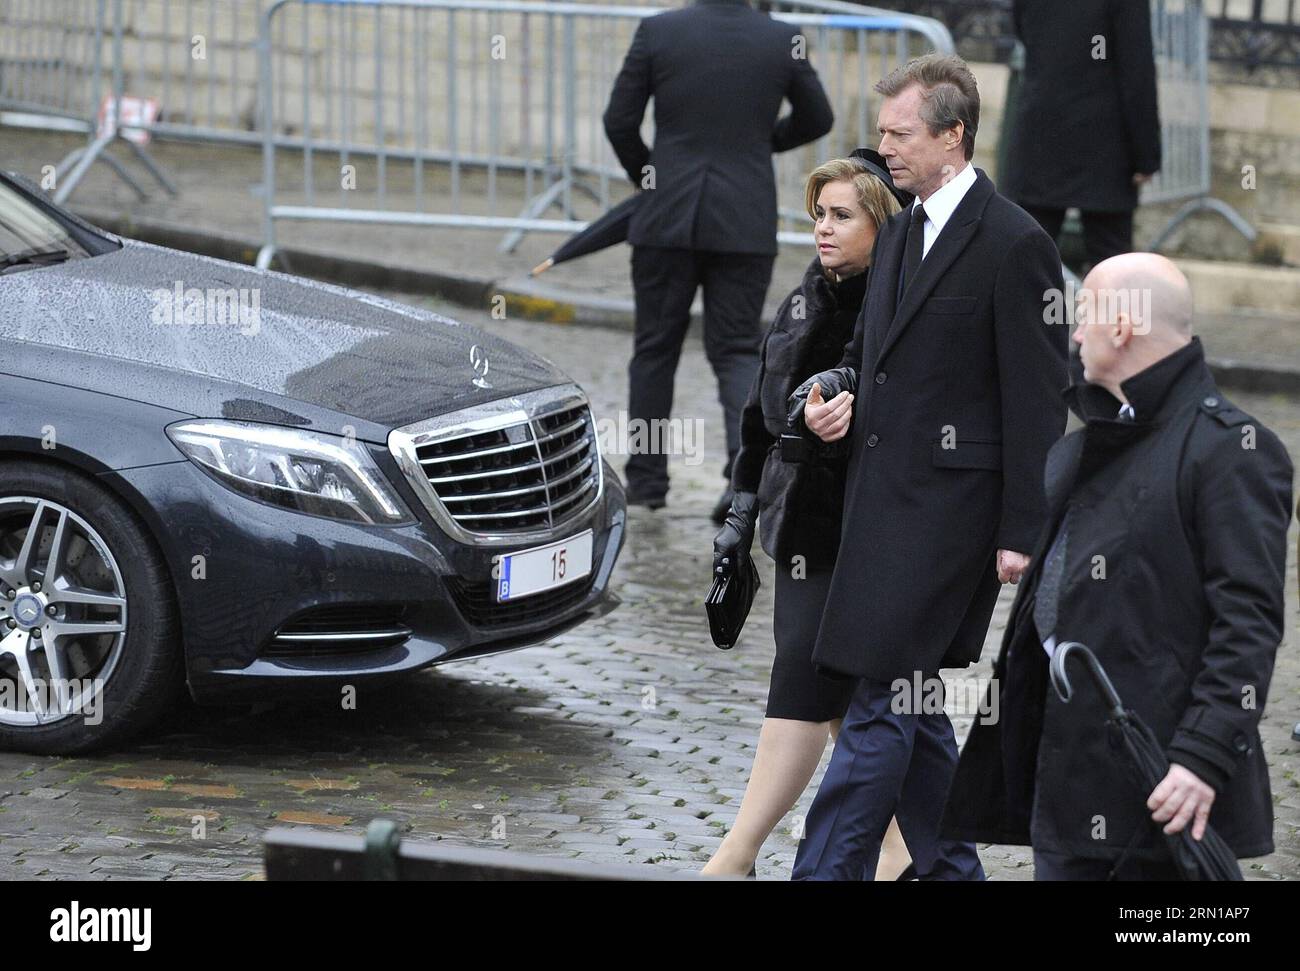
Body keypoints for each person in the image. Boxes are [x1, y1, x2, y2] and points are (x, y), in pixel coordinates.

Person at [789, 53, 1068, 880]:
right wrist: (833, 393)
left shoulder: (1017, 242)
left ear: (953, 135)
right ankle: (952, 870)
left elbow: (1037, 398)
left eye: (899, 133)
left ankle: (822, 872)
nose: (885, 147)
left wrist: (1024, 528)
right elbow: (869, 355)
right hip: (878, 506)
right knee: (913, 708)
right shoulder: (903, 226)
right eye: (880, 132)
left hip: (951, 518)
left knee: (877, 699)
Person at [942, 254, 1294, 880]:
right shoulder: (1093, 442)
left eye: (1084, 319)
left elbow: (1249, 621)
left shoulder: (1231, 450)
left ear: (1124, 326)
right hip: (1070, 777)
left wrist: (1201, 757)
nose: (1075, 335)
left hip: (1159, 783)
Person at [704, 151, 912, 879]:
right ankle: (891, 853)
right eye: (818, 214)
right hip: (796, 529)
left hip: (857, 533)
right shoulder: (807, 294)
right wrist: (739, 512)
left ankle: (736, 856)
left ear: (880, 222)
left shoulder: (892, 305)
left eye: (841, 215)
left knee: (817, 688)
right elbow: (759, 417)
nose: (823, 229)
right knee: (824, 696)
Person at [602, 0, 834, 523]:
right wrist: (762, 143)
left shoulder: (659, 31)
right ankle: (742, 479)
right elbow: (819, 116)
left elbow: (618, 120)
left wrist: (651, 173)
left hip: (666, 213)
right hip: (743, 216)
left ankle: (647, 478)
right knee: (736, 351)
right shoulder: (782, 38)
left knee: (655, 348)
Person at [1001, 0, 1161, 271]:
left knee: (1028, 262)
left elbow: (1023, 32)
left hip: (1043, 130)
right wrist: (1146, 155)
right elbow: (1137, 70)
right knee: (1112, 271)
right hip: (1107, 141)